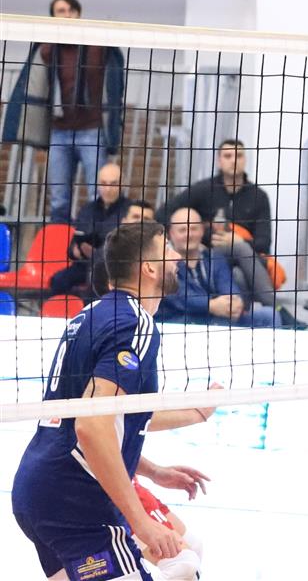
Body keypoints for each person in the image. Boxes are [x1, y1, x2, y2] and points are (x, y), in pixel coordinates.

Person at [10, 220, 210, 579]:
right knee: (185, 564)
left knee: (186, 558)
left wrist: (153, 470)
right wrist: (141, 522)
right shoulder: (135, 324)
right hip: (77, 500)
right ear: (149, 268)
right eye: (167, 249)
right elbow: (92, 426)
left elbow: (111, 416)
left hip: (37, 489)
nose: (177, 257)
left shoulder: (90, 315)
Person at [1, 0, 127, 224]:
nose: (67, 15)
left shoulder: (97, 44)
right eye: (61, 11)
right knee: (59, 198)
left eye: (71, 10)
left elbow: (115, 75)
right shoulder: (47, 48)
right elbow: (31, 84)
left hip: (92, 130)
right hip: (59, 131)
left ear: (78, 14)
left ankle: (97, 242)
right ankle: (61, 244)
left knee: (98, 193)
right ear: (53, 17)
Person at [158, 139, 295, 324]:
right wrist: (201, 238)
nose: (234, 160)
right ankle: (276, 306)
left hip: (245, 264)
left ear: (245, 159)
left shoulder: (258, 197)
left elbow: (264, 243)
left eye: (239, 155)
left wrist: (238, 241)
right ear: (219, 161)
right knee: (237, 254)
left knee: (239, 270)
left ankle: (234, 316)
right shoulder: (204, 189)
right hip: (209, 255)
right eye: (228, 156)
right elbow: (163, 213)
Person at [157, 207, 279, 328]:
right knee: (222, 323)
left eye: (194, 228)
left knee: (270, 315)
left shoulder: (214, 258)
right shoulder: (165, 262)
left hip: (221, 317)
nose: (189, 234)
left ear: (202, 230)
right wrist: (211, 305)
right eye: (182, 230)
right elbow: (178, 297)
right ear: (170, 234)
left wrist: (234, 302)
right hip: (183, 320)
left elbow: (228, 285)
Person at [49, 162, 132, 296]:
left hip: (112, 269)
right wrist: (75, 251)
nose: (108, 189)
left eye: (113, 184)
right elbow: (73, 243)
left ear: (123, 185)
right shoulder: (87, 209)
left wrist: (96, 253)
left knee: (95, 284)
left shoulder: (129, 210)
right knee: (58, 280)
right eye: (103, 184)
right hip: (83, 264)